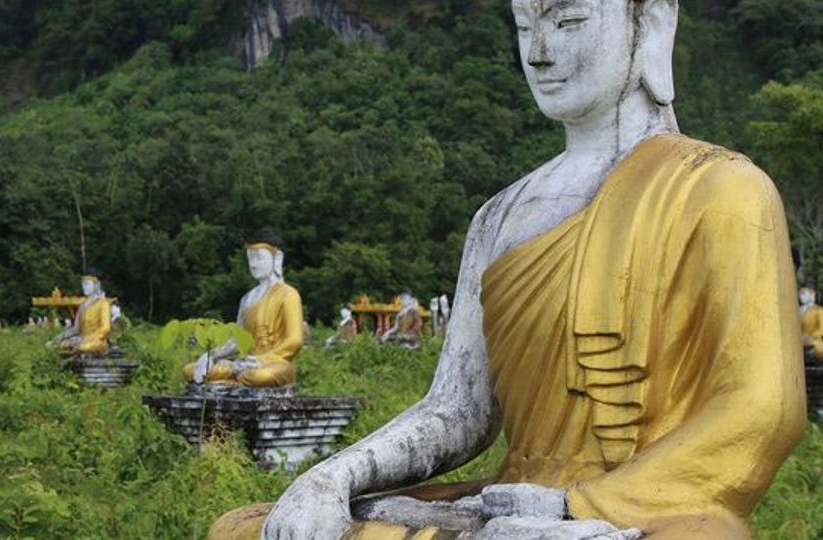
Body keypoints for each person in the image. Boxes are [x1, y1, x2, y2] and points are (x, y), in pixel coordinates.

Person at [211, 0, 805, 538]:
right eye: (525, 26)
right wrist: (333, 478)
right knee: (242, 528)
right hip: (503, 505)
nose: (540, 52)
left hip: (640, 511)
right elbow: (458, 411)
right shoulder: (500, 214)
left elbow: (763, 410)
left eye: (568, 22)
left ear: (650, 23)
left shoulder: (723, 187)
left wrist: (580, 508)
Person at [184, 228, 304, 388]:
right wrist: (211, 355)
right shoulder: (247, 299)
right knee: (191, 370)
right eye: (250, 259)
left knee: (260, 376)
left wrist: (261, 360)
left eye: (259, 258)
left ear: (277, 258)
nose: (253, 264)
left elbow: (295, 341)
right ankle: (233, 380)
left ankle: (232, 381)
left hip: (275, 364)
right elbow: (237, 340)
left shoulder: (288, 294)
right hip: (243, 364)